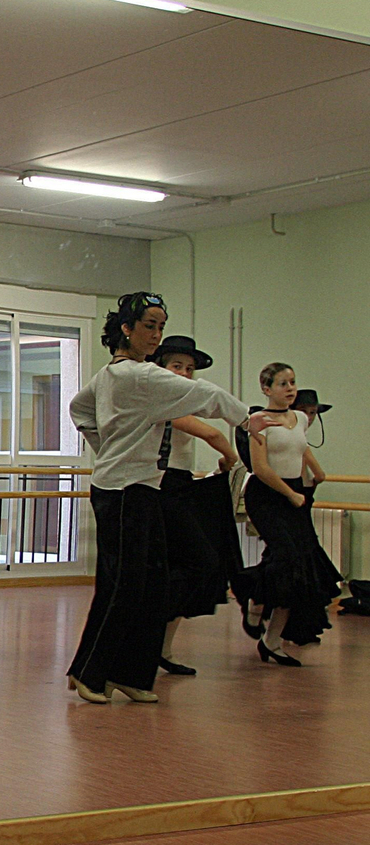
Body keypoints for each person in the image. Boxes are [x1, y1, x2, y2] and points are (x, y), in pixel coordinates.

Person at [66, 292, 264, 705]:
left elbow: (79, 409)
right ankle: (90, 672)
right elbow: (205, 395)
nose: (156, 335)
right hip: (122, 491)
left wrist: (107, 445)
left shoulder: (115, 376)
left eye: (160, 326)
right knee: (124, 585)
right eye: (149, 325)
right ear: (126, 329)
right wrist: (246, 417)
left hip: (140, 487)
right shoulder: (134, 376)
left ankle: (130, 673)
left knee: (153, 585)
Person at [152, 335, 243, 676]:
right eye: (177, 366)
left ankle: (163, 646)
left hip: (180, 483)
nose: (185, 374)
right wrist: (231, 457)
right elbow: (212, 434)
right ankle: (151, 641)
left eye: (189, 369)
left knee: (186, 566)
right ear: (160, 368)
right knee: (187, 562)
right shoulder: (159, 400)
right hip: (160, 487)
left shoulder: (181, 401)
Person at [240, 364, 343, 666]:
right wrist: (289, 493)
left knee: (302, 565)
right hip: (268, 496)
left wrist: (316, 468)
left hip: (295, 494)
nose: (290, 388)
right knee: (285, 557)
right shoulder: (258, 421)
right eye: (282, 383)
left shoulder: (299, 418)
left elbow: (299, 445)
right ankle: (253, 596)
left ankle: (272, 641)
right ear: (266, 388)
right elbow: (260, 468)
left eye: (293, 382)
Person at [278, 389, 336, 645]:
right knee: (297, 561)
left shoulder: (298, 434)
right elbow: (315, 471)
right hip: (291, 500)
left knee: (303, 562)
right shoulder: (292, 434)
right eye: (306, 412)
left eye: (313, 414)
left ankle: (296, 624)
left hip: (300, 498)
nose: (309, 418)